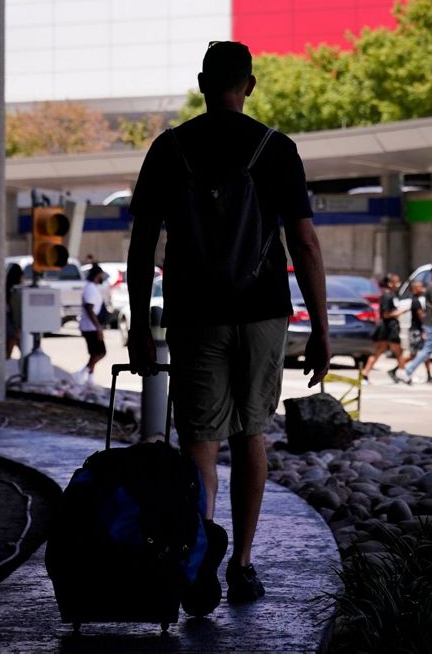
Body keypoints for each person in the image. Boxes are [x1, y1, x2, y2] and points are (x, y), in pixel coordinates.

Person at [127, 40, 329, 614]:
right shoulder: (276, 149)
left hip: (194, 316)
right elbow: (305, 243)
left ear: (201, 82)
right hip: (263, 313)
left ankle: (196, 561)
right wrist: (319, 327)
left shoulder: (169, 149)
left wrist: (141, 326)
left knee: (200, 442)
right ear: (251, 84)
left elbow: (142, 248)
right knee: (251, 435)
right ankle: (240, 564)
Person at [393, 278, 432, 384]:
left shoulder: (417, 300)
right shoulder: (416, 302)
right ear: (415, 289)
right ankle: (400, 370)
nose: (422, 289)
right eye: (420, 287)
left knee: (424, 353)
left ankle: (428, 375)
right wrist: (430, 320)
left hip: (417, 330)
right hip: (416, 331)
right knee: (418, 354)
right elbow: (421, 317)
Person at [360, 274, 402, 383]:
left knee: (380, 351)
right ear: (390, 283)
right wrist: (399, 312)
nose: (398, 284)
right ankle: (405, 373)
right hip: (389, 327)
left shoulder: (391, 295)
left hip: (387, 327)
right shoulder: (388, 296)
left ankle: (365, 373)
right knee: (398, 352)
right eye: (396, 282)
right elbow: (386, 314)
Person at [77, 264, 108, 384]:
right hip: (90, 326)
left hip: (89, 325)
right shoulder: (90, 288)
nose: (102, 277)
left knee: (94, 352)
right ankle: (82, 372)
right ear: (97, 275)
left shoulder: (92, 287)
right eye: (101, 275)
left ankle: (90, 377)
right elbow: (89, 309)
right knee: (101, 352)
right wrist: (98, 327)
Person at [5, 263, 23, 360]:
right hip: (11, 321)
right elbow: (13, 308)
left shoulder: (7, 288)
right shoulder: (14, 290)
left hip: (9, 321)